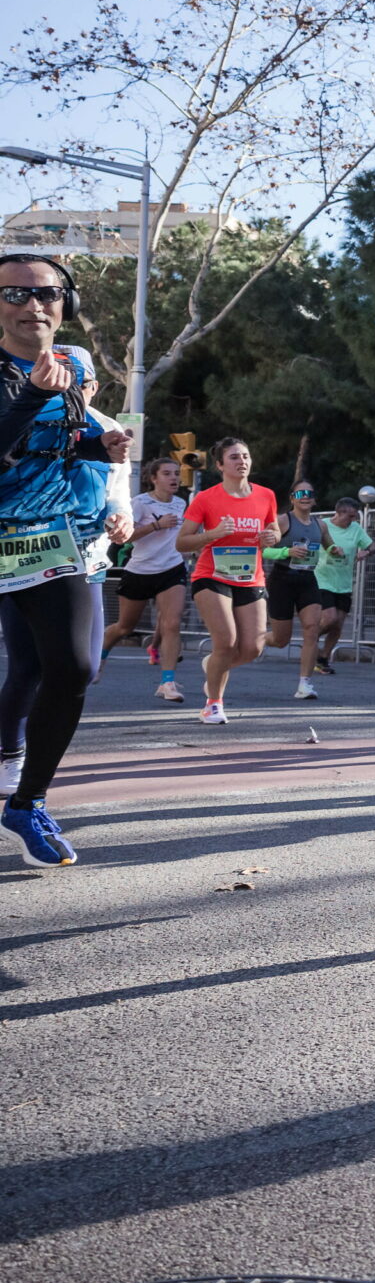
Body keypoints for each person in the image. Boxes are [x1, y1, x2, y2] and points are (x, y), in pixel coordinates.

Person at [0, 254, 104, 867]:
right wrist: (28, 397)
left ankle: (26, 800)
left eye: (47, 294)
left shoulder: (77, 362)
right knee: (28, 669)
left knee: (71, 666)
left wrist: (98, 440)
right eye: (15, 294)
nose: (32, 305)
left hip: (47, 534)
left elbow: (62, 439)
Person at [179, 437, 282, 726]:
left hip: (250, 577)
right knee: (226, 640)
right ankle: (213, 704)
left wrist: (272, 537)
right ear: (220, 464)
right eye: (234, 457)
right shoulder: (206, 498)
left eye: (246, 456)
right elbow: (182, 542)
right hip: (212, 575)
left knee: (252, 648)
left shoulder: (266, 495)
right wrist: (211, 534)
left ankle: (214, 665)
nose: (242, 462)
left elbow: (273, 529)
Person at [104, 457, 192, 702]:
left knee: (172, 624)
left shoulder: (181, 504)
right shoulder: (139, 503)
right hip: (140, 571)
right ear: (153, 478)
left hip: (172, 569)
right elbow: (124, 537)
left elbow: (181, 535)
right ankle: (97, 658)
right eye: (167, 473)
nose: (174, 478)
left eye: (176, 473)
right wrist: (156, 525)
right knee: (124, 627)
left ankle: (167, 683)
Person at [265, 480, 331, 700]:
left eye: (310, 493)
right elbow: (262, 550)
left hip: (307, 579)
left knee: (312, 628)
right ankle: (253, 638)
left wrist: (335, 549)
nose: (306, 496)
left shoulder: (320, 525)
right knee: (280, 639)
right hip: (282, 579)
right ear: (292, 498)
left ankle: (305, 684)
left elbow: (328, 544)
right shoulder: (283, 521)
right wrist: (286, 552)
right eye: (301, 493)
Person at [310, 496, 372, 673]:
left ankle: (322, 658)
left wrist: (365, 552)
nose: (352, 520)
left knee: (337, 626)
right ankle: (310, 639)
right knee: (329, 618)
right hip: (321, 580)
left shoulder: (356, 529)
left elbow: (374, 546)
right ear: (339, 512)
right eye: (350, 516)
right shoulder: (322, 525)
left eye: (355, 517)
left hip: (343, 584)